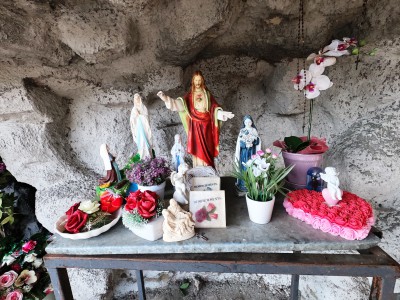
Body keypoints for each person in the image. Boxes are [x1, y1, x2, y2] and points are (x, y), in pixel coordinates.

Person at [157, 71, 234, 168]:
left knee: (208, 149)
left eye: (199, 80)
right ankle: (198, 169)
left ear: (202, 81)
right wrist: (167, 99)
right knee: (197, 148)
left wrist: (221, 113)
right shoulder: (190, 95)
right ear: (193, 81)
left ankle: (208, 169)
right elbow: (181, 105)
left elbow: (214, 107)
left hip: (207, 125)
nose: (197, 82)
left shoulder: (207, 94)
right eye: (196, 80)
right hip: (196, 125)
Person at [234, 115, 261, 191]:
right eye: (246, 122)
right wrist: (245, 144)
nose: (248, 123)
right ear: (244, 123)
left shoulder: (254, 130)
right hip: (244, 152)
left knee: (252, 166)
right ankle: (243, 183)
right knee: (244, 166)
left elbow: (258, 140)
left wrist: (253, 141)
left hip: (252, 152)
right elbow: (240, 142)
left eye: (249, 122)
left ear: (252, 122)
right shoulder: (242, 130)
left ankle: (251, 183)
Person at [130, 93, 153, 159]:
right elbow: (132, 120)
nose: (137, 100)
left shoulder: (143, 107)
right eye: (135, 98)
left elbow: (146, 117)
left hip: (144, 127)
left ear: (139, 98)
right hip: (138, 128)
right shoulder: (134, 109)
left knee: (146, 140)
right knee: (140, 141)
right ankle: (142, 156)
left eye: (138, 98)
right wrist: (135, 116)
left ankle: (148, 155)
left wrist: (140, 115)